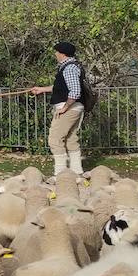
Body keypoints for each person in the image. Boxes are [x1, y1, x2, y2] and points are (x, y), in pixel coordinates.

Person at [29, 41, 88, 176]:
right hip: (74, 107)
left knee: (55, 139)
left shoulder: (69, 68)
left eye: (57, 52)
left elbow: (75, 91)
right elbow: (61, 88)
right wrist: (41, 89)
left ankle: (61, 174)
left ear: (62, 53)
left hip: (69, 108)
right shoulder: (69, 67)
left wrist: (65, 108)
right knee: (70, 138)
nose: (55, 54)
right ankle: (76, 171)